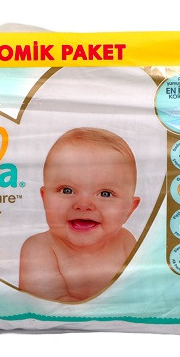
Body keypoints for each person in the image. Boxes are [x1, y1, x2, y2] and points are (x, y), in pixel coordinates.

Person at [19, 128, 140, 302]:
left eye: (105, 194)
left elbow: (139, 294)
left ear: (130, 209)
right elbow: (47, 307)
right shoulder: (39, 249)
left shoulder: (125, 242)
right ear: (44, 199)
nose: (83, 205)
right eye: (67, 190)